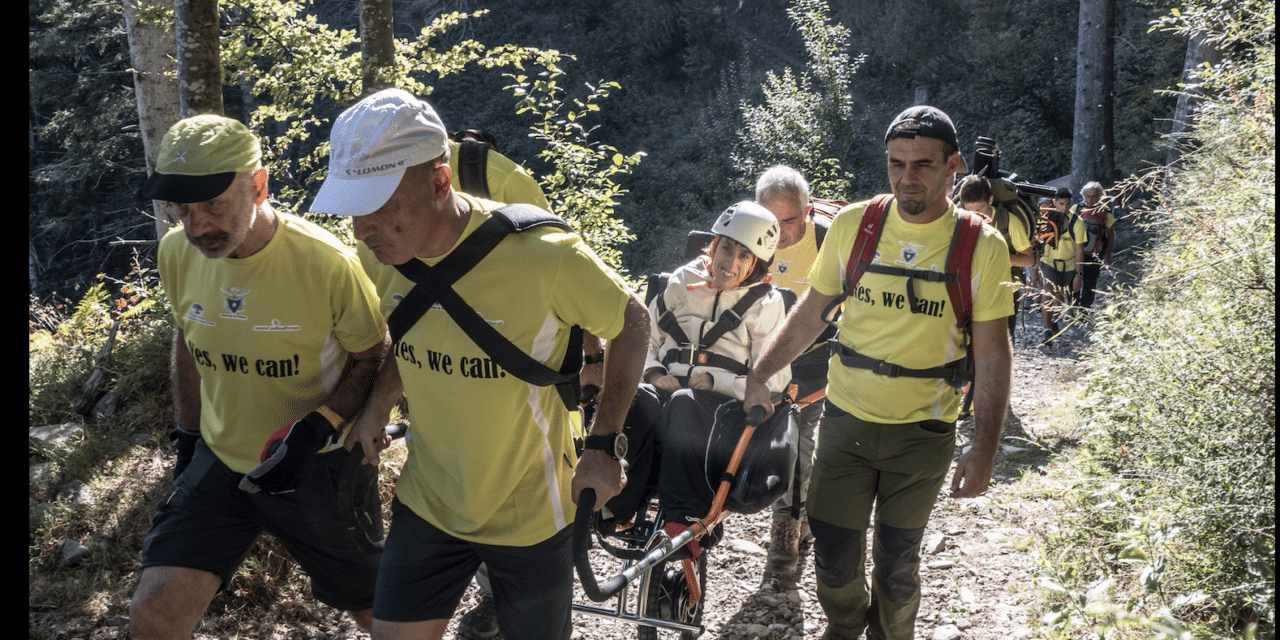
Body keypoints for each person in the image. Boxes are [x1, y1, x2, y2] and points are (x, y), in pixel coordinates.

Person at [310, 88, 649, 640]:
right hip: (430, 501)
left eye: (380, 207)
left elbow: (632, 321)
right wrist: (375, 406)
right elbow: (414, 334)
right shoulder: (383, 259)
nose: (363, 229)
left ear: (440, 182)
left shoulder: (547, 257)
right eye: (353, 209)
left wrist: (605, 442)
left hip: (533, 512)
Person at [743, 106, 1015, 640]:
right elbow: (811, 314)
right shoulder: (855, 225)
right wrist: (762, 371)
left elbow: (994, 355)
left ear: (953, 165)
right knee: (834, 560)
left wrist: (983, 450)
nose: (907, 177)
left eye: (923, 164)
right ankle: (844, 627)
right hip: (845, 423)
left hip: (923, 433)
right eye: (896, 164)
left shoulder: (981, 246)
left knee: (896, 568)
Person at [129, 115, 390, 640]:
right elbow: (187, 338)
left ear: (258, 185)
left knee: (384, 618)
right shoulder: (179, 253)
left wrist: (320, 425)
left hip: (320, 467)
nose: (197, 226)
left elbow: (374, 356)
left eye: (213, 206)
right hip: (221, 461)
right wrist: (188, 434)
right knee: (153, 615)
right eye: (182, 209)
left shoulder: (325, 264)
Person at [446, 126, 555, 640]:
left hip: (508, 364)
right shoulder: (506, 176)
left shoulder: (503, 181)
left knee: (510, 479)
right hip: (458, 361)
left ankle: (508, 601)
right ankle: (499, 597)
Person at [643, 201, 792, 556]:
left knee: (684, 404)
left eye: (744, 256)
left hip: (722, 406)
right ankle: (614, 501)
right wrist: (653, 371)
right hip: (666, 385)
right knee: (639, 401)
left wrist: (717, 383)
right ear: (713, 245)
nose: (731, 262)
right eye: (726, 248)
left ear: (756, 264)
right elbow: (644, 338)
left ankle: (682, 520)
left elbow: (775, 376)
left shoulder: (766, 304)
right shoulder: (680, 282)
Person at [754, 165, 826, 585]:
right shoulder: (749, 237)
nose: (778, 231)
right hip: (760, 357)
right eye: (770, 219)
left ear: (808, 211)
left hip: (815, 357)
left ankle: (785, 535)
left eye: (789, 220)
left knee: (798, 438)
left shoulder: (828, 242)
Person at [957, 174, 1035, 341]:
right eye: (968, 210)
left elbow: (1029, 259)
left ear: (990, 200)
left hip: (1004, 292)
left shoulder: (1009, 222)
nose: (974, 216)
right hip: (970, 290)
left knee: (1003, 341)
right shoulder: (957, 221)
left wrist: (996, 257)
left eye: (979, 210)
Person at [1036, 187, 1087, 345]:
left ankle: (1054, 320)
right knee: (1048, 293)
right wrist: (1033, 271)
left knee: (1059, 297)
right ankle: (1046, 330)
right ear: (1054, 203)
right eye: (1061, 204)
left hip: (1068, 266)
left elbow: (1079, 251)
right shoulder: (1045, 220)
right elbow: (1038, 246)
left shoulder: (1077, 223)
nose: (1064, 208)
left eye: (1067, 204)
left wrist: (1078, 275)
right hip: (1048, 263)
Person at [1072, 181, 1116, 310]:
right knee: (1074, 281)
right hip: (1075, 254)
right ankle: (1073, 308)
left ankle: (1084, 310)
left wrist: (1107, 256)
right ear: (1083, 195)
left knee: (1089, 284)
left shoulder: (1106, 212)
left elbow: (1110, 235)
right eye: (1087, 196)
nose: (1090, 199)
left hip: (1094, 254)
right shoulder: (1076, 209)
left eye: (1094, 196)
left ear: (1100, 197)